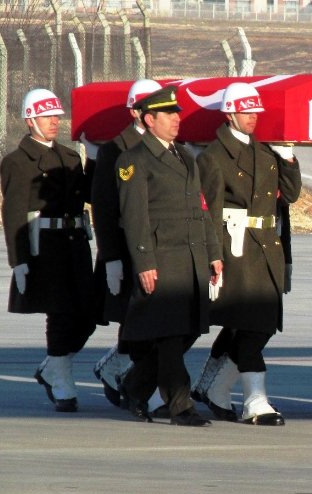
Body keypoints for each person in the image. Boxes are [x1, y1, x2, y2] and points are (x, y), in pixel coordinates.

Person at [192, 82, 302, 426]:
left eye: (256, 112)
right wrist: (213, 255)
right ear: (229, 114)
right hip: (234, 248)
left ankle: (212, 386)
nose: (253, 118)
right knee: (251, 326)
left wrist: (287, 156)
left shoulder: (265, 153)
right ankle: (255, 400)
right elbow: (207, 210)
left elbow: (292, 195)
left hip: (265, 246)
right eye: (246, 112)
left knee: (259, 325)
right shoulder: (213, 157)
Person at [115, 85, 222, 427]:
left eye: (178, 113)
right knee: (172, 335)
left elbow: (201, 210)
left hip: (191, 260)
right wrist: (144, 263)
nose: (178, 119)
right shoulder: (134, 160)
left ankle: (134, 385)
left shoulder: (185, 156)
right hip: (163, 260)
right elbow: (135, 218)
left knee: (186, 331)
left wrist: (214, 253)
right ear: (150, 119)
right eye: (170, 114)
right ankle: (180, 405)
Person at [0, 88, 96, 412]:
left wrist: (94, 158)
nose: (55, 122)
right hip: (46, 248)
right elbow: (13, 213)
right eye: (47, 116)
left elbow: (90, 194)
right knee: (60, 313)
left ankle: (53, 366)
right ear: (30, 120)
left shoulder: (70, 157)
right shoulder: (17, 162)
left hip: (75, 244)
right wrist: (19, 259)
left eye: (57, 116)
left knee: (89, 315)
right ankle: (63, 380)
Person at [88, 78, 162, 410]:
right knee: (136, 319)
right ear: (135, 111)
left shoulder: (167, 145)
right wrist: (111, 257)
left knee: (148, 318)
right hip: (125, 248)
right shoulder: (114, 149)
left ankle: (119, 371)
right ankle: (126, 377)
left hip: (157, 247)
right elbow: (103, 208)